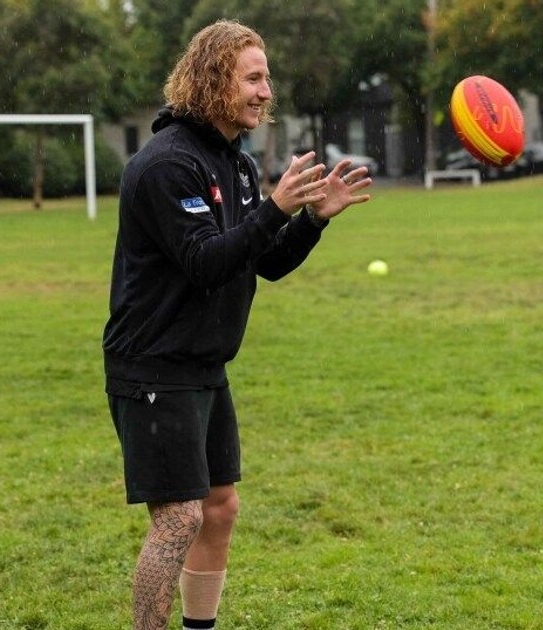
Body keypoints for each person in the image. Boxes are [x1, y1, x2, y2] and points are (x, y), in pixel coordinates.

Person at [102, 20, 372, 630]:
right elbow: (204, 263)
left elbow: (265, 262)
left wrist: (310, 221)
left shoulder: (238, 166)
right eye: (253, 77)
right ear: (212, 80)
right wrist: (276, 208)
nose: (264, 91)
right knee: (179, 518)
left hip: (204, 364)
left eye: (266, 78)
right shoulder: (166, 166)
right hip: (154, 365)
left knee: (219, 507)